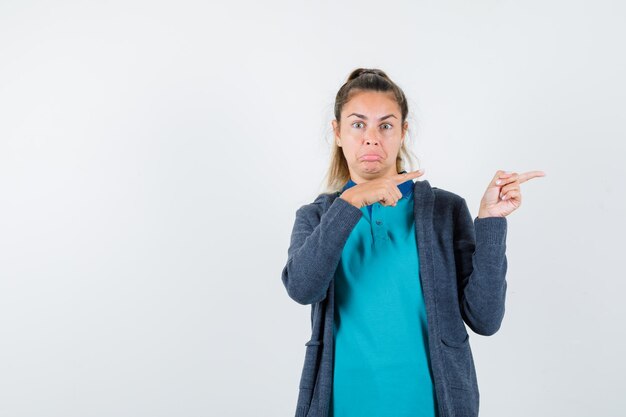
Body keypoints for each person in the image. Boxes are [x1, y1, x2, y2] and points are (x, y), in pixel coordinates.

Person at [281, 68, 545, 417]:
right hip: (343, 405)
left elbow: (485, 318)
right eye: (358, 124)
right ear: (338, 132)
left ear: (403, 132)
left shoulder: (445, 210)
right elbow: (302, 288)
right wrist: (350, 203)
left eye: (386, 125)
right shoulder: (316, 216)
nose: (372, 138)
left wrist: (491, 222)